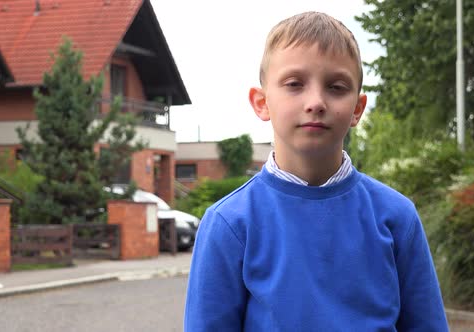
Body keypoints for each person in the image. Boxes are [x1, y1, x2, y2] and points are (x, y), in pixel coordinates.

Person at [184, 11, 448, 331]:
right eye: (295, 84)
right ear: (262, 102)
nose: (316, 101)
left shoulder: (397, 217)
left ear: (358, 109)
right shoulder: (229, 223)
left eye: (336, 87)